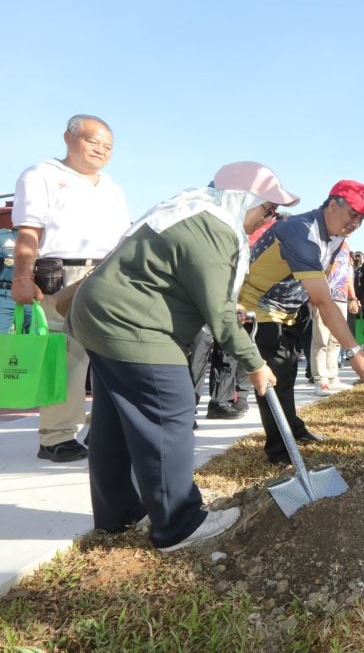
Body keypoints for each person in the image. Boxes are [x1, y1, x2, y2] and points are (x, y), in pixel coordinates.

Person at [65, 162, 291, 551]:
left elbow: (186, 282)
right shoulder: (215, 228)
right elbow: (219, 316)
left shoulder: (189, 211)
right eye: (267, 210)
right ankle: (178, 523)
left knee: (115, 421)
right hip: (132, 325)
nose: (266, 220)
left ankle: (119, 514)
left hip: (99, 316)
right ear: (244, 198)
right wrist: (255, 363)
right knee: (170, 408)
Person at [11, 114, 130, 463]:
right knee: (65, 360)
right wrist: (21, 277)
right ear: (69, 137)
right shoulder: (42, 174)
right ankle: (56, 438)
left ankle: (103, 429)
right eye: (93, 141)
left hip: (105, 274)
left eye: (108, 146)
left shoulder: (112, 187)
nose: (101, 150)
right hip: (62, 275)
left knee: (113, 357)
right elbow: (28, 232)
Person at [240, 179, 364, 464]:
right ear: (332, 205)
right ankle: (280, 453)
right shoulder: (300, 231)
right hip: (258, 308)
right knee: (274, 377)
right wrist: (352, 350)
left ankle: (293, 428)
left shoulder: (337, 236)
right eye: (353, 214)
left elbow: (320, 285)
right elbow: (325, 300)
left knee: (288, 372)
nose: (356, 223)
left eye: (361, 218)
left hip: (291, 307)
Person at [309, 239, 356, 396]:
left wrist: (353, 297)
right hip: (323, 297)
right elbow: (313, 269)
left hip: (341, 297)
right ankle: (321, 381)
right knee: (321, 339)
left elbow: (348, 274)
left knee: (336, 340)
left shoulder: (346, 246)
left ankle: (332, 376)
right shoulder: (324, 242)